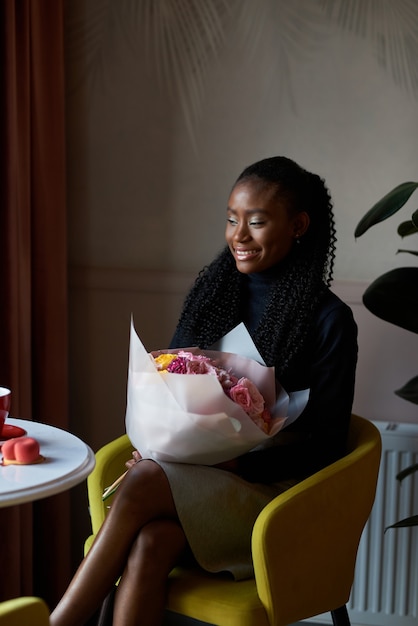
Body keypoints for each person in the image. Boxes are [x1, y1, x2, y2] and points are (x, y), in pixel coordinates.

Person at [50, 156, 358, 626]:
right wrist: (160, 446)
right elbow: (168, 391)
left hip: (270, 501)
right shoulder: (214, 291)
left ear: (298, 225)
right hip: (192, 484)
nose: (239, 235)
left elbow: (329, 446)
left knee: (148, 479)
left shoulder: (329, 321)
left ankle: (60, 622)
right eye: (232, 219)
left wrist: (234, 461)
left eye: (256, 222)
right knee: (151, 541)